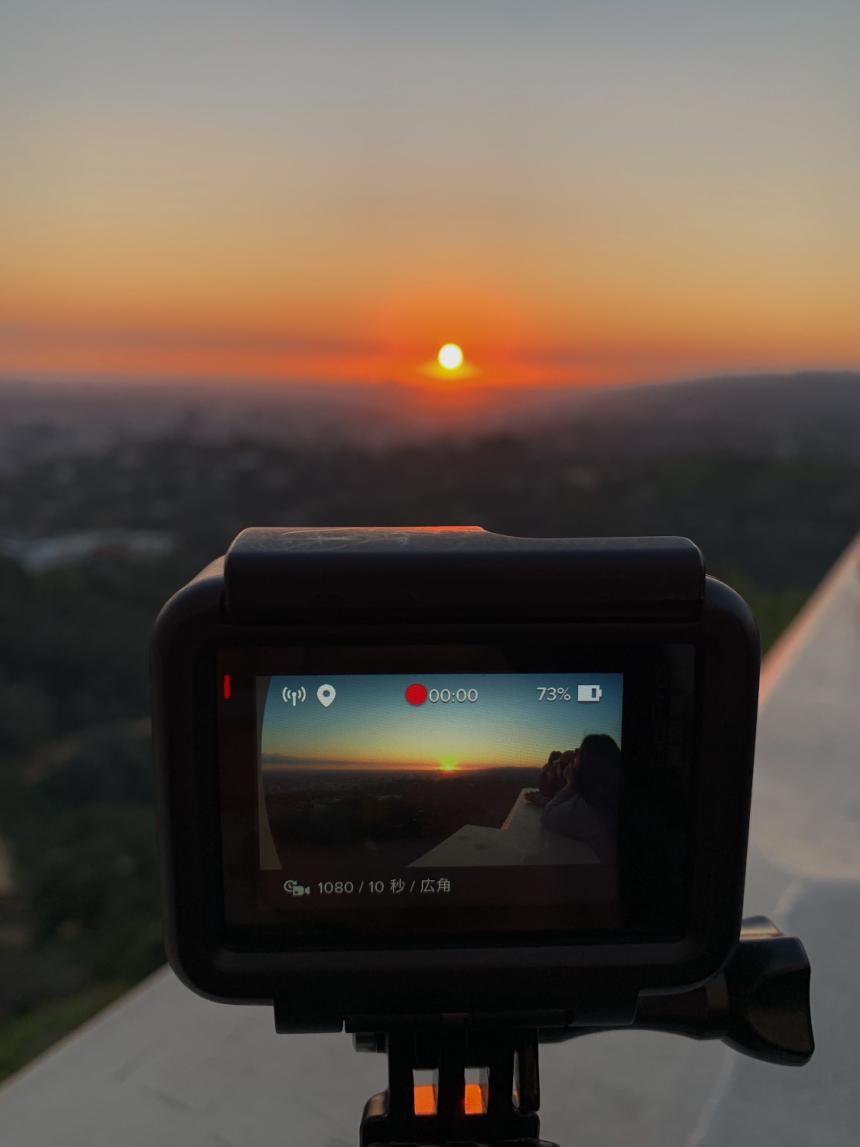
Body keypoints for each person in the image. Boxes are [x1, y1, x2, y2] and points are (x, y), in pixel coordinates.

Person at [540, 734, 621, 862]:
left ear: (587, 765)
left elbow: (547, 816)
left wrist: (571, 784)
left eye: (579, 753)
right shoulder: (606, 794)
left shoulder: (589, 807)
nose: (574, 756)